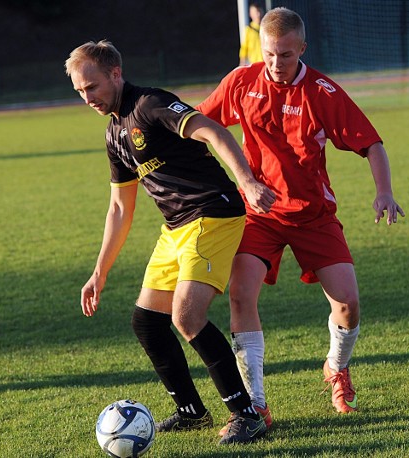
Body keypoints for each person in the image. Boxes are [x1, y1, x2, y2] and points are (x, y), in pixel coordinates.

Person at [197, 7, 404, 432]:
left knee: (347, 304)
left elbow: (372, 144)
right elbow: (199, 122)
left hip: (313, 215)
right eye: (270, 54)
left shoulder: (323, 93)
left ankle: (336, 367)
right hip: (258, 212)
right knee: (241, 295)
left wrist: (383, 191)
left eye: (286, 55)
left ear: (302, 49)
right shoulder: (241, 82)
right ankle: (255, 405)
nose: (276, 64)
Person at [65, 40, 276, 445]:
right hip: (176, 228)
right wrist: (99, 272)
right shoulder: (114, 134)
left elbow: (212, 131)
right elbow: (119, 210)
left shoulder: (151, 104)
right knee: (146, 321)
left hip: (213, 212)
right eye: (79, 91)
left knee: (186, 315)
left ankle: (246, 414)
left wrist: (247, 181)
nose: (86, 97)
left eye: (91, 87)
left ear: (115, 73)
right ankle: (192, 411)